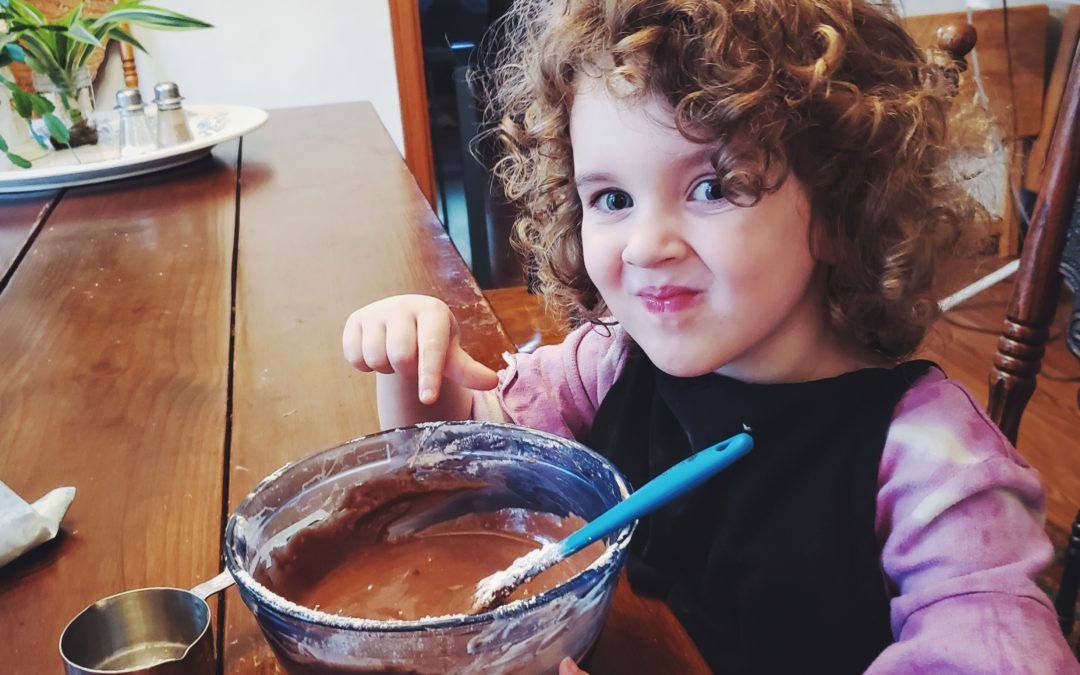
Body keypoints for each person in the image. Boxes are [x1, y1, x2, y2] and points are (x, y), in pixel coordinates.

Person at [343, 1, 1078, 672]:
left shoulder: (934, 469)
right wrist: (413, 368)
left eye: (712, 186)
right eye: (612, 198)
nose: (645, 244)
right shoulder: (609, 365)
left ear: (838, 208)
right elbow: (467, 476)